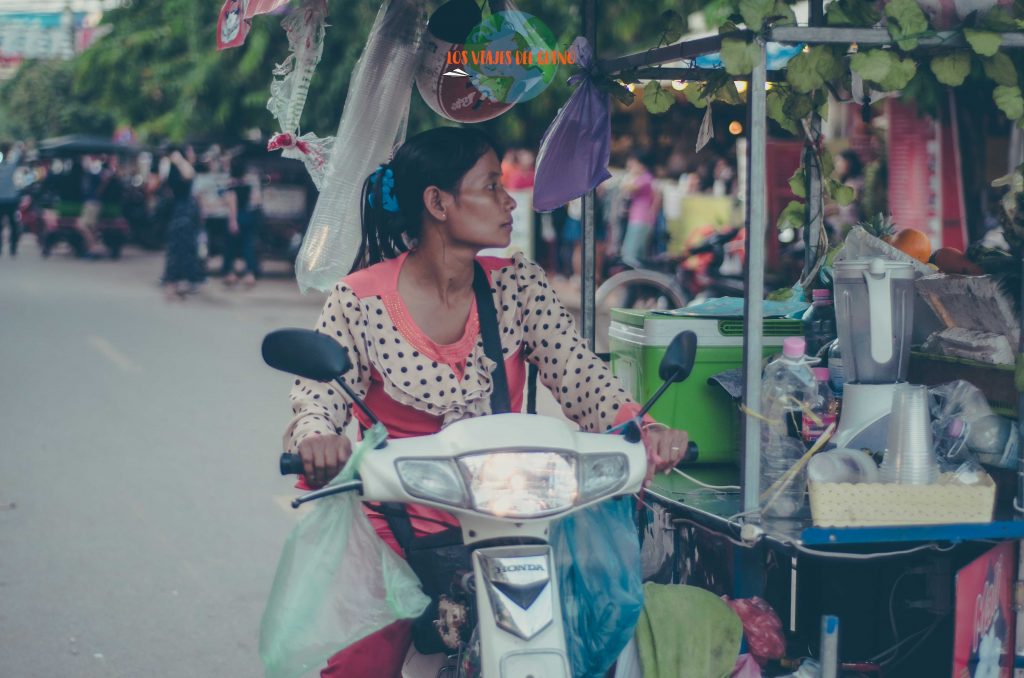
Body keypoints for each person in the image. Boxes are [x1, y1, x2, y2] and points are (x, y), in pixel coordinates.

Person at [282, 127, 690, 677]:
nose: (508, 201)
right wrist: (317, 438)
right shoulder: (359, 298)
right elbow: (318, 395)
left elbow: (582, 377)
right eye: (492, 186)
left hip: (512, 524)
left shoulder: (517, 284)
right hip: (396, 535)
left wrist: (645, 429)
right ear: (437, 203)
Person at [160, 147, 205, 299]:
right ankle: (172, 282)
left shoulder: (180, 167)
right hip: (181, 211)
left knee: (187, 246)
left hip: (185, 212)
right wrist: (178, 158)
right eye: (191, 151)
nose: (193, 154)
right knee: (178, 246)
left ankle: (180, 281)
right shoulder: (176, 168)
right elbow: (189, 174)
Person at [220, 155, 261, 287]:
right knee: (247, 246)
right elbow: (256, 200)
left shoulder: (230, 184)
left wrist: (233, 220)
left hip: (236, 216)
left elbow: (232, 202)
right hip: (248, 215)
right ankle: (250, 274)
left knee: (230, 247)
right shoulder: (248, 182)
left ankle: (230, 274)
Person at [618, 152, 661, 267]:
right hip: (641, 219)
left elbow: (625, 188)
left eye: (634, 164)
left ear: (642, 165)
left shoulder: (645, 178)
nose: (631, 167)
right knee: (638, 253)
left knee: (630, 252)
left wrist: (630, 174)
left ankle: (632, 280)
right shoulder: (647, 178)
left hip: (641, 220)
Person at [0, 144, 22, 257]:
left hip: (4, 200)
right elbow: (19, 157)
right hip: (10, 200)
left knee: (6, 225)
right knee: (13, 225)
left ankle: (9, 248)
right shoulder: (11, 166)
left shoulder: (9, 166)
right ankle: (12, 248)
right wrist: (16, 147)